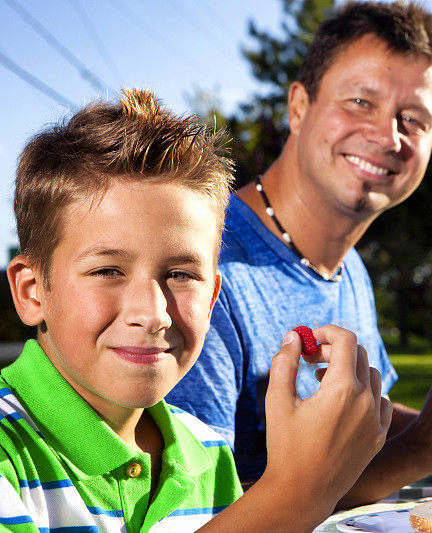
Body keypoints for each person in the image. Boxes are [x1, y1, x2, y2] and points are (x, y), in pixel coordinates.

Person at [167, 1, 432, 507]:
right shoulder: (204, 266)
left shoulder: (349, 269)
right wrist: (428, 444)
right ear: (299, 107)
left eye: (414, 120)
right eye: (360, 101)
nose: (387, 135)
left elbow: (363, 420)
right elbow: (194, 509)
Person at [0, 88, 390, 532]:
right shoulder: (7, 458)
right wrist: (298, 491)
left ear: (211, 299)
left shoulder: (207, 452)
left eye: (181, 275)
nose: (153, 313)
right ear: (32, 292)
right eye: (108, 270)